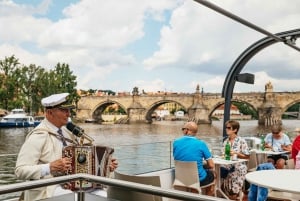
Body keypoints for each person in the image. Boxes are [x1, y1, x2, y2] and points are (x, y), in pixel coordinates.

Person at [15, 93, 118, 201]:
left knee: (105, 196)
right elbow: (20, 170)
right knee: (74, 198)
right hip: (48, 188)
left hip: (72, 184)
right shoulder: (38, 136)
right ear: (50, 113)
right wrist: (49, 167)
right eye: (64, 110)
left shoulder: (68, 132)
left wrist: (104, 166)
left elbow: (80, 162)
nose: (68, 114)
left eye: (69, 110)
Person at [173, 121, 215, 196]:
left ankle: (194, 193)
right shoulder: (201, 144)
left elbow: (178, 158)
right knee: (213, 174)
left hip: (181, 178)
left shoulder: (175, 142)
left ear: (187, 130)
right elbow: (211, 165)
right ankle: (207, 197)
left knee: (199, 174)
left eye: (183, 129)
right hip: (197, 180)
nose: (182, 131)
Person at [221, 120, 250, 200]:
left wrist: (236, 153)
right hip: (226, 165)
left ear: (235, 130)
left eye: (229, 128)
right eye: (226, 127)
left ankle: (235, 192)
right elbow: (223, 154)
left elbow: (247, 157)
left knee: (237, 170)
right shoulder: (225, 141)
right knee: (216, 170)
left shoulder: (241, 141)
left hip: (238, 166)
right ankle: (224, 190)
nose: (226, 129)